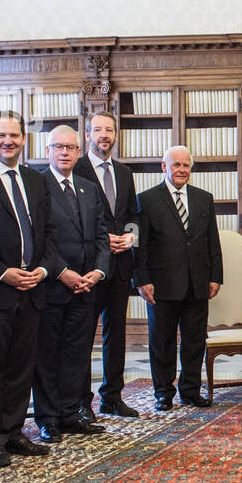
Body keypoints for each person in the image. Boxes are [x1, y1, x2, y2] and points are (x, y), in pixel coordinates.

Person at [0, 111, 58, 467]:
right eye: (2, 135)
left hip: (32, 290)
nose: (9, 141)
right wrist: (1, 272)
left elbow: (49, 235)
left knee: (23, 366)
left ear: (25, 139)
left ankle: (13, 431)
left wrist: (43, 269)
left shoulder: (36, 182)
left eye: (15, 136)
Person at [34, 125, 110, 442]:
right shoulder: (37, 185)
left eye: (70, 147)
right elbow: (38, 238)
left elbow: (103, 237)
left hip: (86, 287)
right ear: (48, 150)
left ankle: (70, 413)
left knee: (77, 355)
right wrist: (62, 271)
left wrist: (98, 272)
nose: (64, 152)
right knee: (48, 356)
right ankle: (48, 418)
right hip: (54, 286)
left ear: (79, 151)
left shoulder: (88, 189)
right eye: (58, 147)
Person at [135, 145, 223, 411]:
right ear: (164, 167)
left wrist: (215, 276)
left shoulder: (203, 198)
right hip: (161, 285)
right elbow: (140, 245)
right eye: (176, 165)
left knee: (195, 341)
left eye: (186, 165)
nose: (182, 170)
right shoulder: (147, 200)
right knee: (161, 341)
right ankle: (163, 392)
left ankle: (190, 390)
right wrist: (141, 279)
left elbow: (212, 242)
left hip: (197, 283)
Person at [74, 111, 140, 419]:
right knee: (84, 336)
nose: (104, 135)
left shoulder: (125, 173)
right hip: (88, 266)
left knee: (117, 333)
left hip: (121, 265)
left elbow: (134, 216)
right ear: (87, 134)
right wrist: (105, 238)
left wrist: (130, 238)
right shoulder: (77, 167)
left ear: (115, 135)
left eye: (109, 130)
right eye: (98, 129)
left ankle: (112, 397)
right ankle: (81, 402)